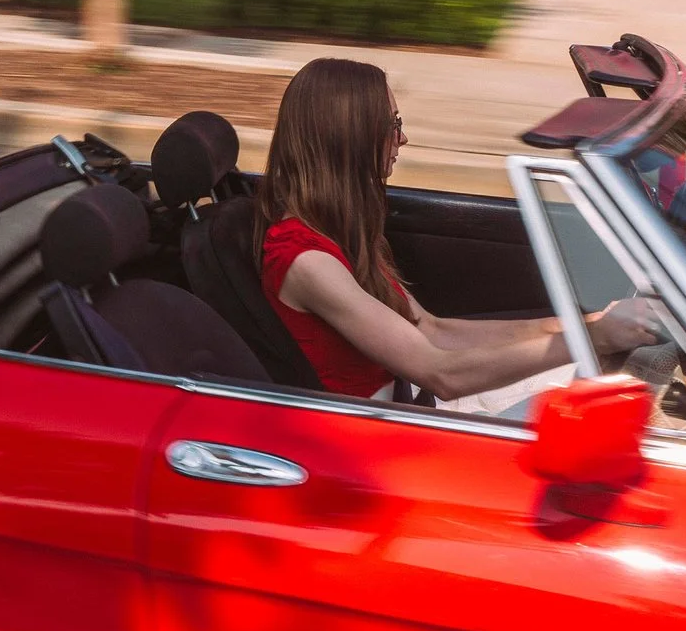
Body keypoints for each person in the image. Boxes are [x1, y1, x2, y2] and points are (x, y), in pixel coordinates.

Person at [257, 57, 657, 413]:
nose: (403, 139)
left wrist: (584, 324)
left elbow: (434, 330)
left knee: (625, 385)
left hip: (415, 401)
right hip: (396, 431)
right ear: (350, 136)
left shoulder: (340, 231)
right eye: (392, 125)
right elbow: (441, 374)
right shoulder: (306, 260)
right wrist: (592, 338)